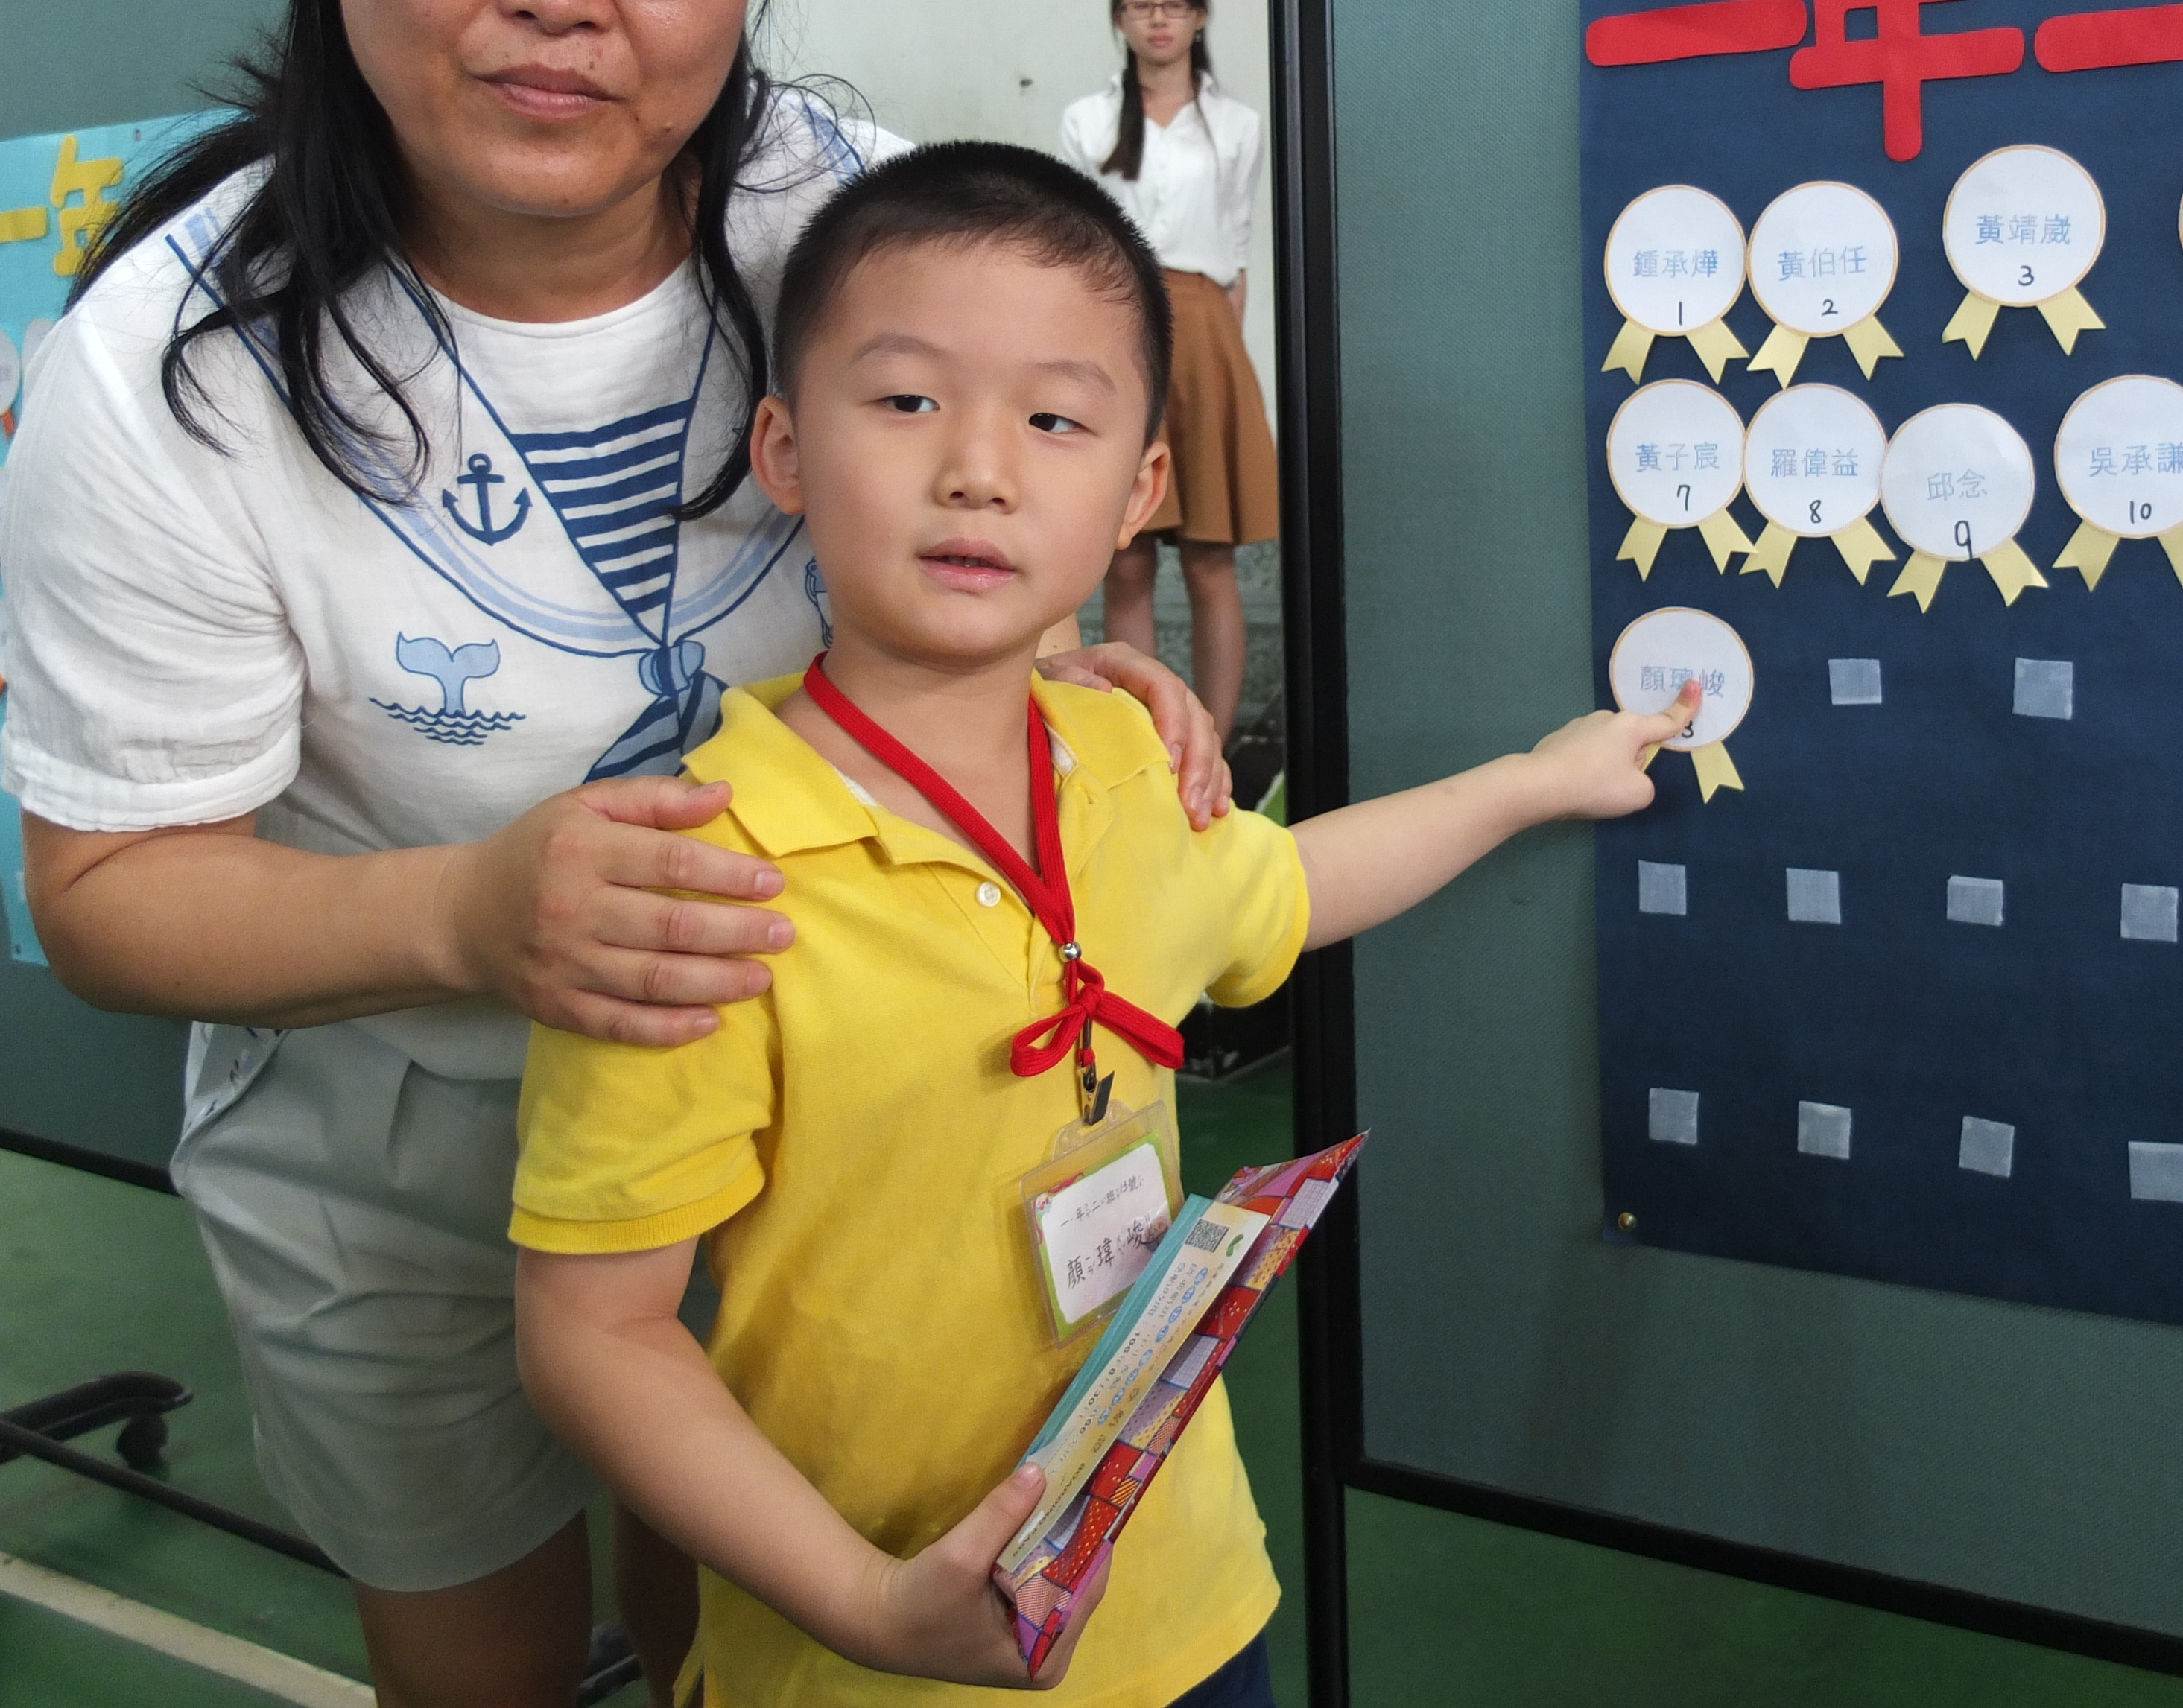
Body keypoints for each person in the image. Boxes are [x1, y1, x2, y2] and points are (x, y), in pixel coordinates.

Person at [0, 0, 1224, 1708]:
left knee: (724, 1627)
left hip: (801, 1126)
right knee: (475, 1660)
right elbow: (107, 892)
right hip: (396, 1142)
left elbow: (992, 503)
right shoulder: (170, 372)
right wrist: (469, 914)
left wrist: (1043, 676)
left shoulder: (845, 228)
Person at [510, 142, 1696, 1708]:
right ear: (784, 448)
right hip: (873, 1664)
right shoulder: (695, 879)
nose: (978, 470)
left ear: (1141, 491)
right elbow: (594, 1331)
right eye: (907, 400)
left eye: (1055, 420)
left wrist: (1533, 782)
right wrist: (867, 1606)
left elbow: (1287, 890)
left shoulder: (1129, 764)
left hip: (1185, 1602)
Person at [1058, 0, 1275, 742]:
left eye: (1172, 5)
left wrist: (1223, 359)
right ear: (1120, 19)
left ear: (1199, 16)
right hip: (1116, 329)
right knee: (1127, 558)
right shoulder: (1086, 121)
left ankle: (1214, 745)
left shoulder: (1237, 126)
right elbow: (1074, 242)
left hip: (1205, 332)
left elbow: (1237, 251)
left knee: (1211, 560)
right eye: (1141, 5)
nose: (1158, 20)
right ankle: (1138, 746)